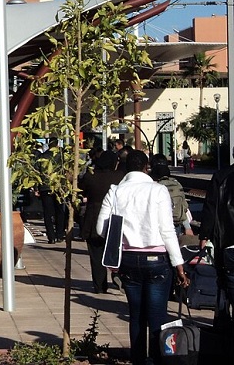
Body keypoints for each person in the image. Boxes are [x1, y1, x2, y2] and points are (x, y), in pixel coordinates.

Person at [97, 150, 189, 365]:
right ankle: (157, 360)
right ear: (146, 167)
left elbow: (101, 229)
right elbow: (167, 230)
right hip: (157, 260)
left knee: (136, 314)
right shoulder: (158, 190)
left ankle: (138, 359)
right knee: (157, 315)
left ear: (125, 167)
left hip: (128, 260)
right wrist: (179, 264)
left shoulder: (115, 191)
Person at [198, 149, 234, 329]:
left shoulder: (221, 176)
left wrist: (204, 235)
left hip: (227, 242)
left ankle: (222, 328)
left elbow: (210, 208)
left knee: (224, 285)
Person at [80, 149, 124, 293]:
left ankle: (99, 285)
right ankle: (118, 276)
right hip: (114, 218)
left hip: (93, 217)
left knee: (96, 254)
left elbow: (82, 191)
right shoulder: (120, 177)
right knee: (117, 250)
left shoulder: (90, 176)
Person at [149, 154, 193, 236]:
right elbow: (182, 206)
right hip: (175, 226)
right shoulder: (175, 183)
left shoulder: (150, 185)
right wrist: (188, 227)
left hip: (156, 228)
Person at [36, 138, 67, 244]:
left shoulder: (42, 156)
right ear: (57, 145)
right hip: (58, 186)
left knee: (47, 213)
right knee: (60, 211)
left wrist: (37, 187)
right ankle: (59, 234)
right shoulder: (61, 156)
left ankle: (51, 236)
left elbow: (37, 172)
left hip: (45, 186)